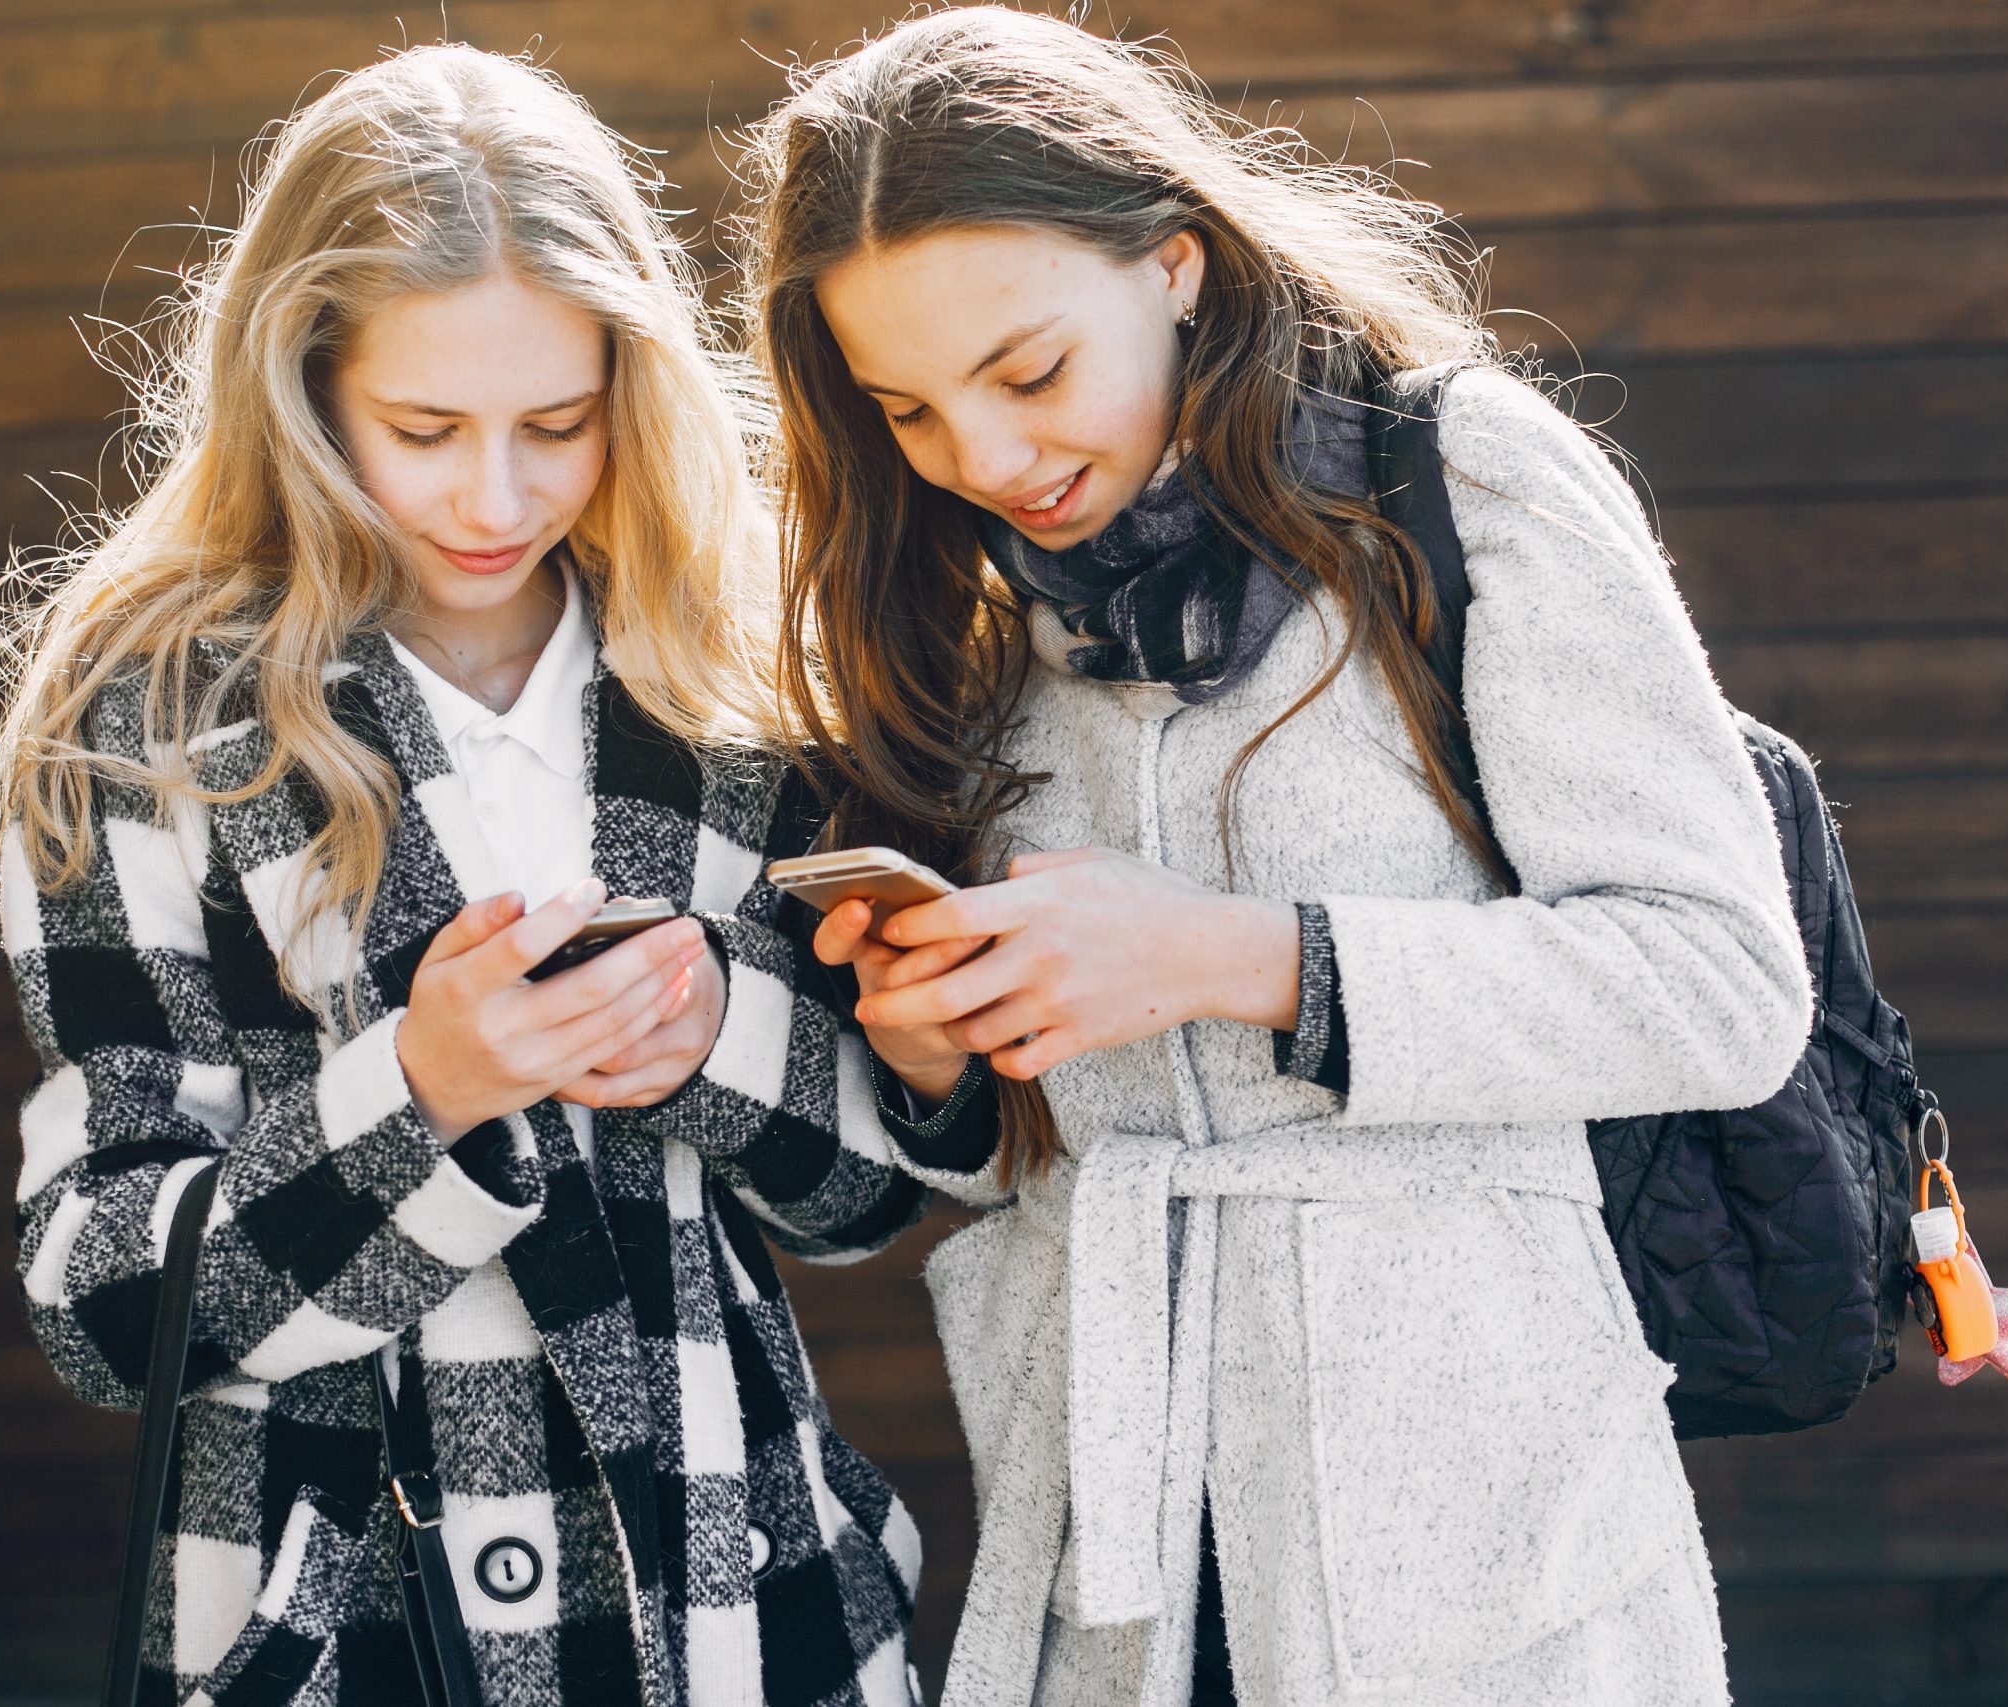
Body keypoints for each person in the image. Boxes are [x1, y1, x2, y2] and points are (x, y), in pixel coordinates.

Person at [735, 11, 1814, 1705]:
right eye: (908, 412)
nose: (985, 460)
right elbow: (1008, 1150)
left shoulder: (1453, 481)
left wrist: (1245, 957)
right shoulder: (947, 610)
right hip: (1116, 1554)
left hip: (1477, 1537)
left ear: (1173, 264)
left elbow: (1720, 984)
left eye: (1027, 374)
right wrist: (940, 1054)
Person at [0, 45, 926, 1707]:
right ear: (303, 384)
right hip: (342, 1623)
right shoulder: (143, 717)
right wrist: (422, 1088)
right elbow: (102, 1301)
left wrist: (714, 1048)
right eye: (423, 428)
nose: (497, 497)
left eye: (558, 424)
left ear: (636, 387)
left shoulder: (732, 677)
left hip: (742, 1604)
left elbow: (864, 1204)